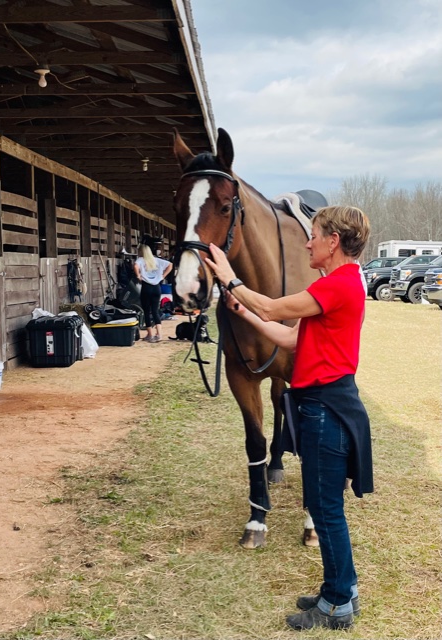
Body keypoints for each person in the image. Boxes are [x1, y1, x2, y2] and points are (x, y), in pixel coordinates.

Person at [205, 205, 374, 632]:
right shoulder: (338, 285)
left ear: (333, 241)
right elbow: (290, 337)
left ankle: (337, 603)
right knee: (324, 504)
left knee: (326, 508)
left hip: (326, 408)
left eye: (313, 235)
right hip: (324, 404)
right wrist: (243, 311)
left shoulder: (337, 284)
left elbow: (272, 307)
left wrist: (229, 277)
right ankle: (342, 588)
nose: (307, 242)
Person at [134, 242, 172, 342]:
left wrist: (138, 275)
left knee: (146, 311)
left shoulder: (141, 260)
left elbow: (135, 266)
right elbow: (170, 265)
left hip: (146, 287)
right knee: (155, 310)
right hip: (156, 287)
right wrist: (163, 276)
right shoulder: (157, 260)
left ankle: (150, 335)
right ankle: (159, 334)